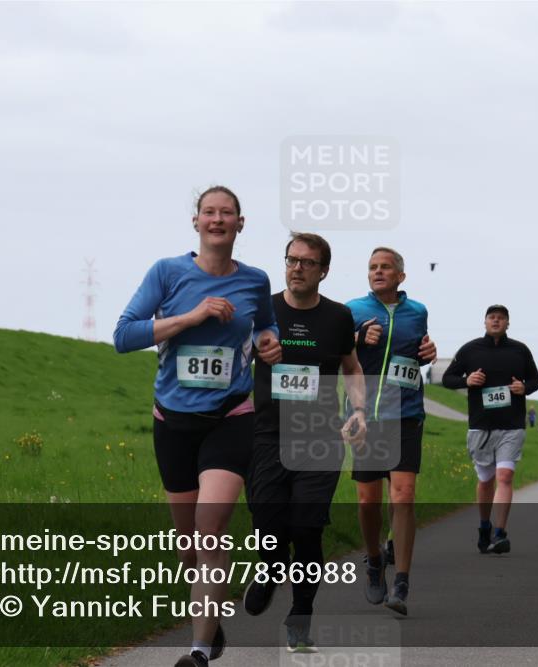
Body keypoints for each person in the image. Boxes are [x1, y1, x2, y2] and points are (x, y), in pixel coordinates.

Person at [113, 186, 282, 667]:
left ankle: (198, 651)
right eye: (209, 212)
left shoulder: (254, 280)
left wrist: (270, 344)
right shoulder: (167, 273)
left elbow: (265, 327)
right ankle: (211, 621)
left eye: (226, 213)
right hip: (172, 419)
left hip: (230, 416)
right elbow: (124, 335)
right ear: (196, 222)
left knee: (211, 532)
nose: (217, 219)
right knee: (188, 544)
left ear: (240, 224)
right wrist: (193, 315)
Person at [244, 233, 368, 653]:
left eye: (307, 262)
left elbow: (351, 368)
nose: (297, 268)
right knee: (267, 523)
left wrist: (358, 410)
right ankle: (270, 568)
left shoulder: (337, 317)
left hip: (320, 437)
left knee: (306, 528)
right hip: (266, 435)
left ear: (323, 270)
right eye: (291, 260)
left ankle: (300, 618)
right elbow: (236, 358)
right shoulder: (265, 311)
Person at [347, 247, 437, 616]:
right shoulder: (353, 309)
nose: (378, 272)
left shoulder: (418, 311)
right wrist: (355, 339)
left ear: (401, 276)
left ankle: (401, 582)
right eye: (372, 267)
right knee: (368, 501)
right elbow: (336, 354)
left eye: (385, 267)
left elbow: (418, 352)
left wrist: (429, 351)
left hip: (406, 414)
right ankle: (373, 560)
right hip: (366, 417)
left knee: (403, 496)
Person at [442, 304, 538, 555]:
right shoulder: (470, 350)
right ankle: (484, 526)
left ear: (508, 323)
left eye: (501, 318)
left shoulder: (520, 350)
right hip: (481, 427)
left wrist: (524, 388)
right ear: (485, 322)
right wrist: (467, 381)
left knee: (504, 476)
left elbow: (536, 380)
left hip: (512, 425)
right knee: (485, 480)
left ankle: (500, 533)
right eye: (492, 317)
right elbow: (447, 379)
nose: (496, 321)